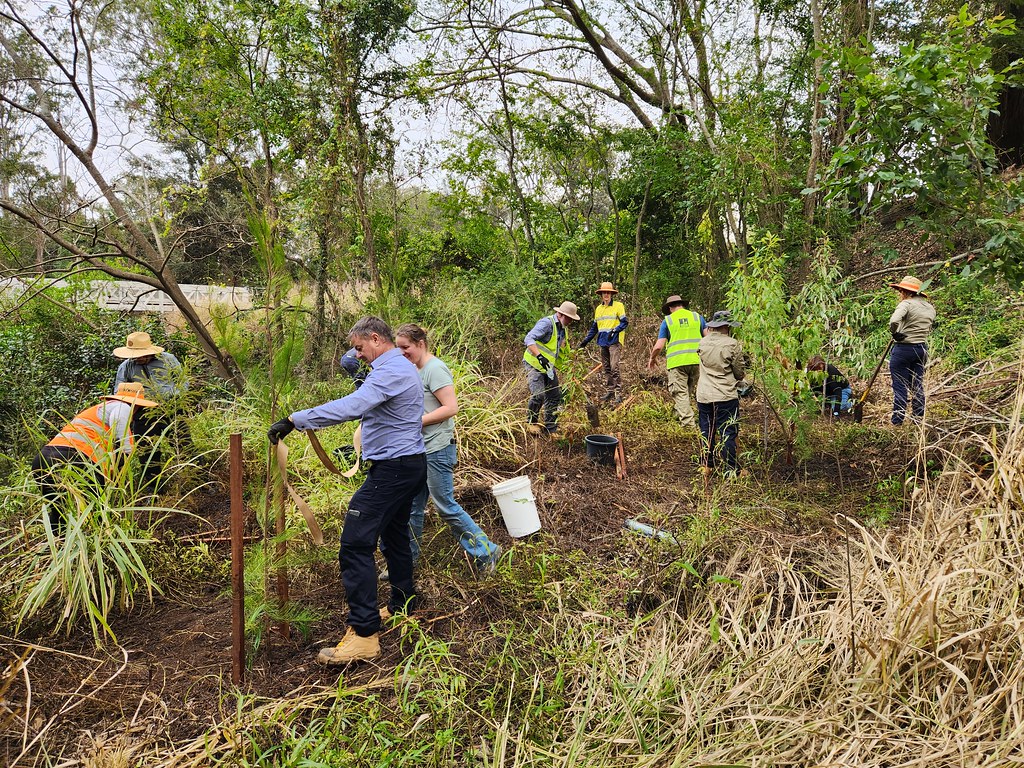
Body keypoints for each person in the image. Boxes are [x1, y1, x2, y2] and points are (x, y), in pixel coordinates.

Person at [267, 316, 426, 665]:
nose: (358, 356)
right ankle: (403, 604)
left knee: (355, 543)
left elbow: (352, 407)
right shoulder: (396, 366)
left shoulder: (392, 371)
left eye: (359, 348)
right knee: (395, 535)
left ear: (375, 338)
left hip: (395, 470)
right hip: (405, 465)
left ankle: (365, 635)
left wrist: (295, 420)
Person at [394, 324, 502, 576]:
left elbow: (451, 407)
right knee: (411, 505)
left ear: (420, 344)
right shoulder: (415, 368)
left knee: (444, 504)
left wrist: (416, 422)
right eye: (398, 347)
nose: (401, 352)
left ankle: (486, 550)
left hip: (437, 448)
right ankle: (407, 562)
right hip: (419, 448)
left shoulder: (435, 369)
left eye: (405, 347)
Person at [32, 382, 159, 535]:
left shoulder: (96, 411)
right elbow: (121, 436)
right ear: (137, 405)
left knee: (58, 510)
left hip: (43, 459)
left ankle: (58, 548)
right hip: (74, 459)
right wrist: (124, 458)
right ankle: (98, 546)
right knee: (97, 509)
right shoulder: (123, 407)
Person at [696, 310, 746, 477]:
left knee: (706, 429)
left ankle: (707, 466)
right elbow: (739, 373)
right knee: (728, 431)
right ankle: (730, 470)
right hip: (725, 395)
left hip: (703, 395)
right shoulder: (732, 344)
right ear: (727, 326)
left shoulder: (702, 343)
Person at [647, 295, 706, 429]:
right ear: (682, 305)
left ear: (670, 308)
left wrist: (652, 358)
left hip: (677, 363)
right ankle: (677, 414)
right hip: (697, 361)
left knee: (680, 393)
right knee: (688, 391)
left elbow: (659, 346)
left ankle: (688, 426)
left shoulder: (668, 321)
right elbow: (708, 337)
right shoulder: (697, 317)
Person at [523, 301, 579, 435]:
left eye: (572, 318)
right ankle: (531, 422)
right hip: (534, 364)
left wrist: (569, 369)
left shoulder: (563, 329)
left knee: (554, 395)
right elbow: (529, 338)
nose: (570, 321)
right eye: (569, 318)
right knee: (538, 395)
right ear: (560, 314)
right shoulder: (546, 324)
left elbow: (559, 352)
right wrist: (540, 357)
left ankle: (551, 428)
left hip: (548, 367)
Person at [887, 275, 935, 426]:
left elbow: (894, 320)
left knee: (900, 385)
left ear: (906, 292)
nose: (900, 294)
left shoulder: (906, 304)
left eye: (901, 291)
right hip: (921, 349)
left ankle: (897, 421)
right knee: (917, 384)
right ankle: (918, 419)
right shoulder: (930, 307)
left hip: (903, 349)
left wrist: (895, 333)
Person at [579, 282, 629, 403]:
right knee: (606, 368)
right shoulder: (598, 309)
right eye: (604, 292)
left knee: (614, 367)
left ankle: (618, 393)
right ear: (601, 294)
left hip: (614, 340)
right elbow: (594, 328)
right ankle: (610, 391)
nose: (606, 294)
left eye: (608, 292)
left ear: (612, 294)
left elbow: (624, 322)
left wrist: (615, 330)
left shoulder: (618, 306)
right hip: (603, 341)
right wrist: (585, 341)